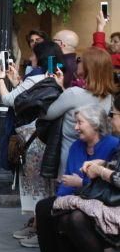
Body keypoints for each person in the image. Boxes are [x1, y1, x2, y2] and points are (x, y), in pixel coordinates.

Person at [25, 104, 119, 252]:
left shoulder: (112, 145)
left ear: (95, 124)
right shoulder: (77, 146)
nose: (75, 127)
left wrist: (82, 182)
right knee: (46, 207)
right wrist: (60, 200)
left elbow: (108, 183)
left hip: (102, 199)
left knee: (71, 217)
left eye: (79, 122)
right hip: (79, 196)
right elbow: (67, 181)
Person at [0, 41, 64, 243]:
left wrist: (0, 79)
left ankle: (39, 229)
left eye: (34, 54)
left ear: (40, 57)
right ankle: (38, 226)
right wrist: (17, 81)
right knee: (45, 184)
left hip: (32, 137)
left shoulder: (35, 77)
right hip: (46, 137)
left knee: (35, 184)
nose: (31, 58)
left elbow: (10, 100)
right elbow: (33, 99)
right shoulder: (53, 79)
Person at [41, 47, 116, 179]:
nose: (77, 62)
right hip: (97, 164)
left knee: (64, 197)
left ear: (89, 66)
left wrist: (48, 85)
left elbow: (46, 114)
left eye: (79, 60)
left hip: (70, 162)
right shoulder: (110, 98)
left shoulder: (74, 93)